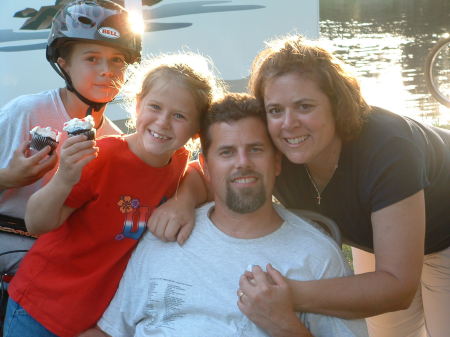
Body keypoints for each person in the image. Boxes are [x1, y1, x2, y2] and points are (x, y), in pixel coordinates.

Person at [80, 93, 368, 337]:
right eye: (227, 152)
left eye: (255, 150)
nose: (242, 163)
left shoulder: (315, 256)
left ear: (276, 162)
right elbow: (111, 330)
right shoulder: (164, 235)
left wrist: (287, 328)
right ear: (204, 165)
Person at [242, 34, 450, 337]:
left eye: (304, 106)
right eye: (275, 110)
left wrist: (290, 295)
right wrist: (186, 198)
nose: (288, 123)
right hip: (380, 236)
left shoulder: (388, 147)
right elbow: (214, 171)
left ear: (336, 105)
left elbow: (397, 287)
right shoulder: (275, 150)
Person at [3, 52, 221, 337]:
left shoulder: (178, 162)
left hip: (97, 319)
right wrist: (65, 177)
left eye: (179, 116)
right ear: (138, 106)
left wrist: (183, 202)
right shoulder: (103, 155)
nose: (163, 122)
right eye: (155, 107)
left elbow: (200, 174)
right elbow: (37, 223)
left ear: (197, 132)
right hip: (40, 308)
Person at [0, 0, 141, 281]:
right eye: (92, 58)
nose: (107, 70)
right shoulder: (26, 112)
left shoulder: (114, 140)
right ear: (63, 64)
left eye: (117, 60)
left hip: (62, 253)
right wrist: (8, 177)